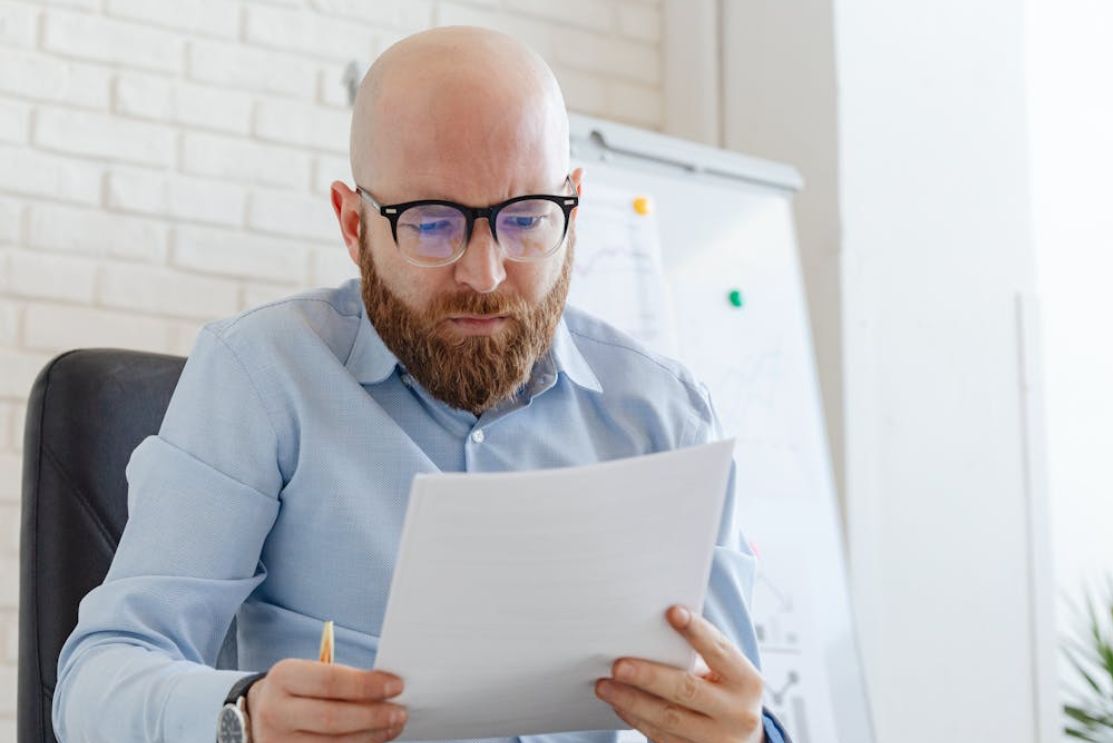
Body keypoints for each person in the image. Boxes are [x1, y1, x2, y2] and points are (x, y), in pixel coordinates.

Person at [52, 26, 790, 743]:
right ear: (353, 223)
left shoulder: (665, 416)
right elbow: (96, 680)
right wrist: (243, 717)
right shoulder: (262, 375)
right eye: (433, 224)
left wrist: (744, 737)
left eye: (526, 220)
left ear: (573, 204)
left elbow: (737, 699)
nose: (485, 274)